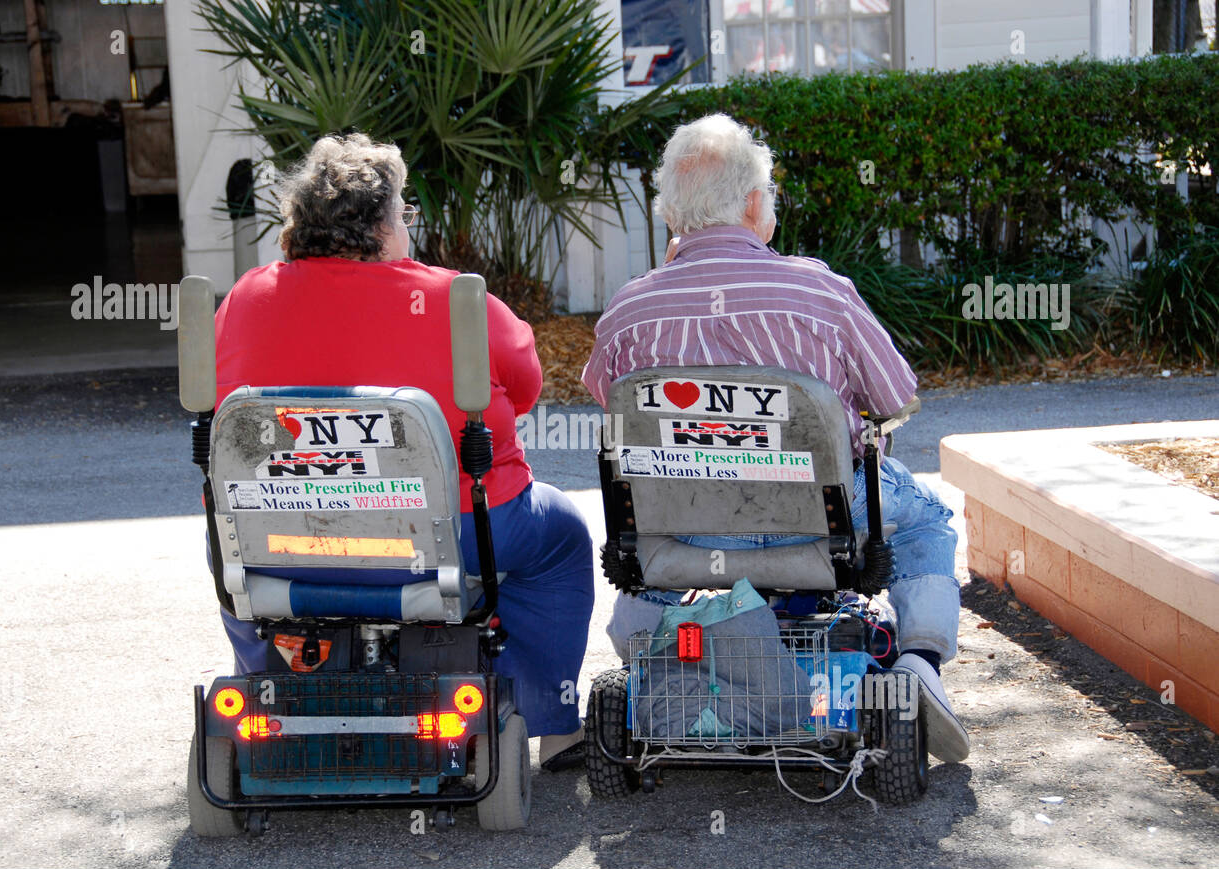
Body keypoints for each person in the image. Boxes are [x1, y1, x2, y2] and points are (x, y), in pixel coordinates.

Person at [581, 114, 969, 763]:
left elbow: (613, 403)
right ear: (756, 203)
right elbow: (896, 399)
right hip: (819, 524)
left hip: (689, 533)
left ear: (671, 213)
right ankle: (920, 661)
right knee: (928, 521)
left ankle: (669, 656)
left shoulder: (628, 311)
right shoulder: (822, 292)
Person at [213, 133, 592, 769]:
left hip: (281, 546)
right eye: (404, 213)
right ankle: (550, 728)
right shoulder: (458, 301)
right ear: (386, 226)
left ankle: (270, 695)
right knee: (562, 538)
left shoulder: (247, 300)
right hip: (443, 542)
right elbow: (523, 390)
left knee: (232, 548)